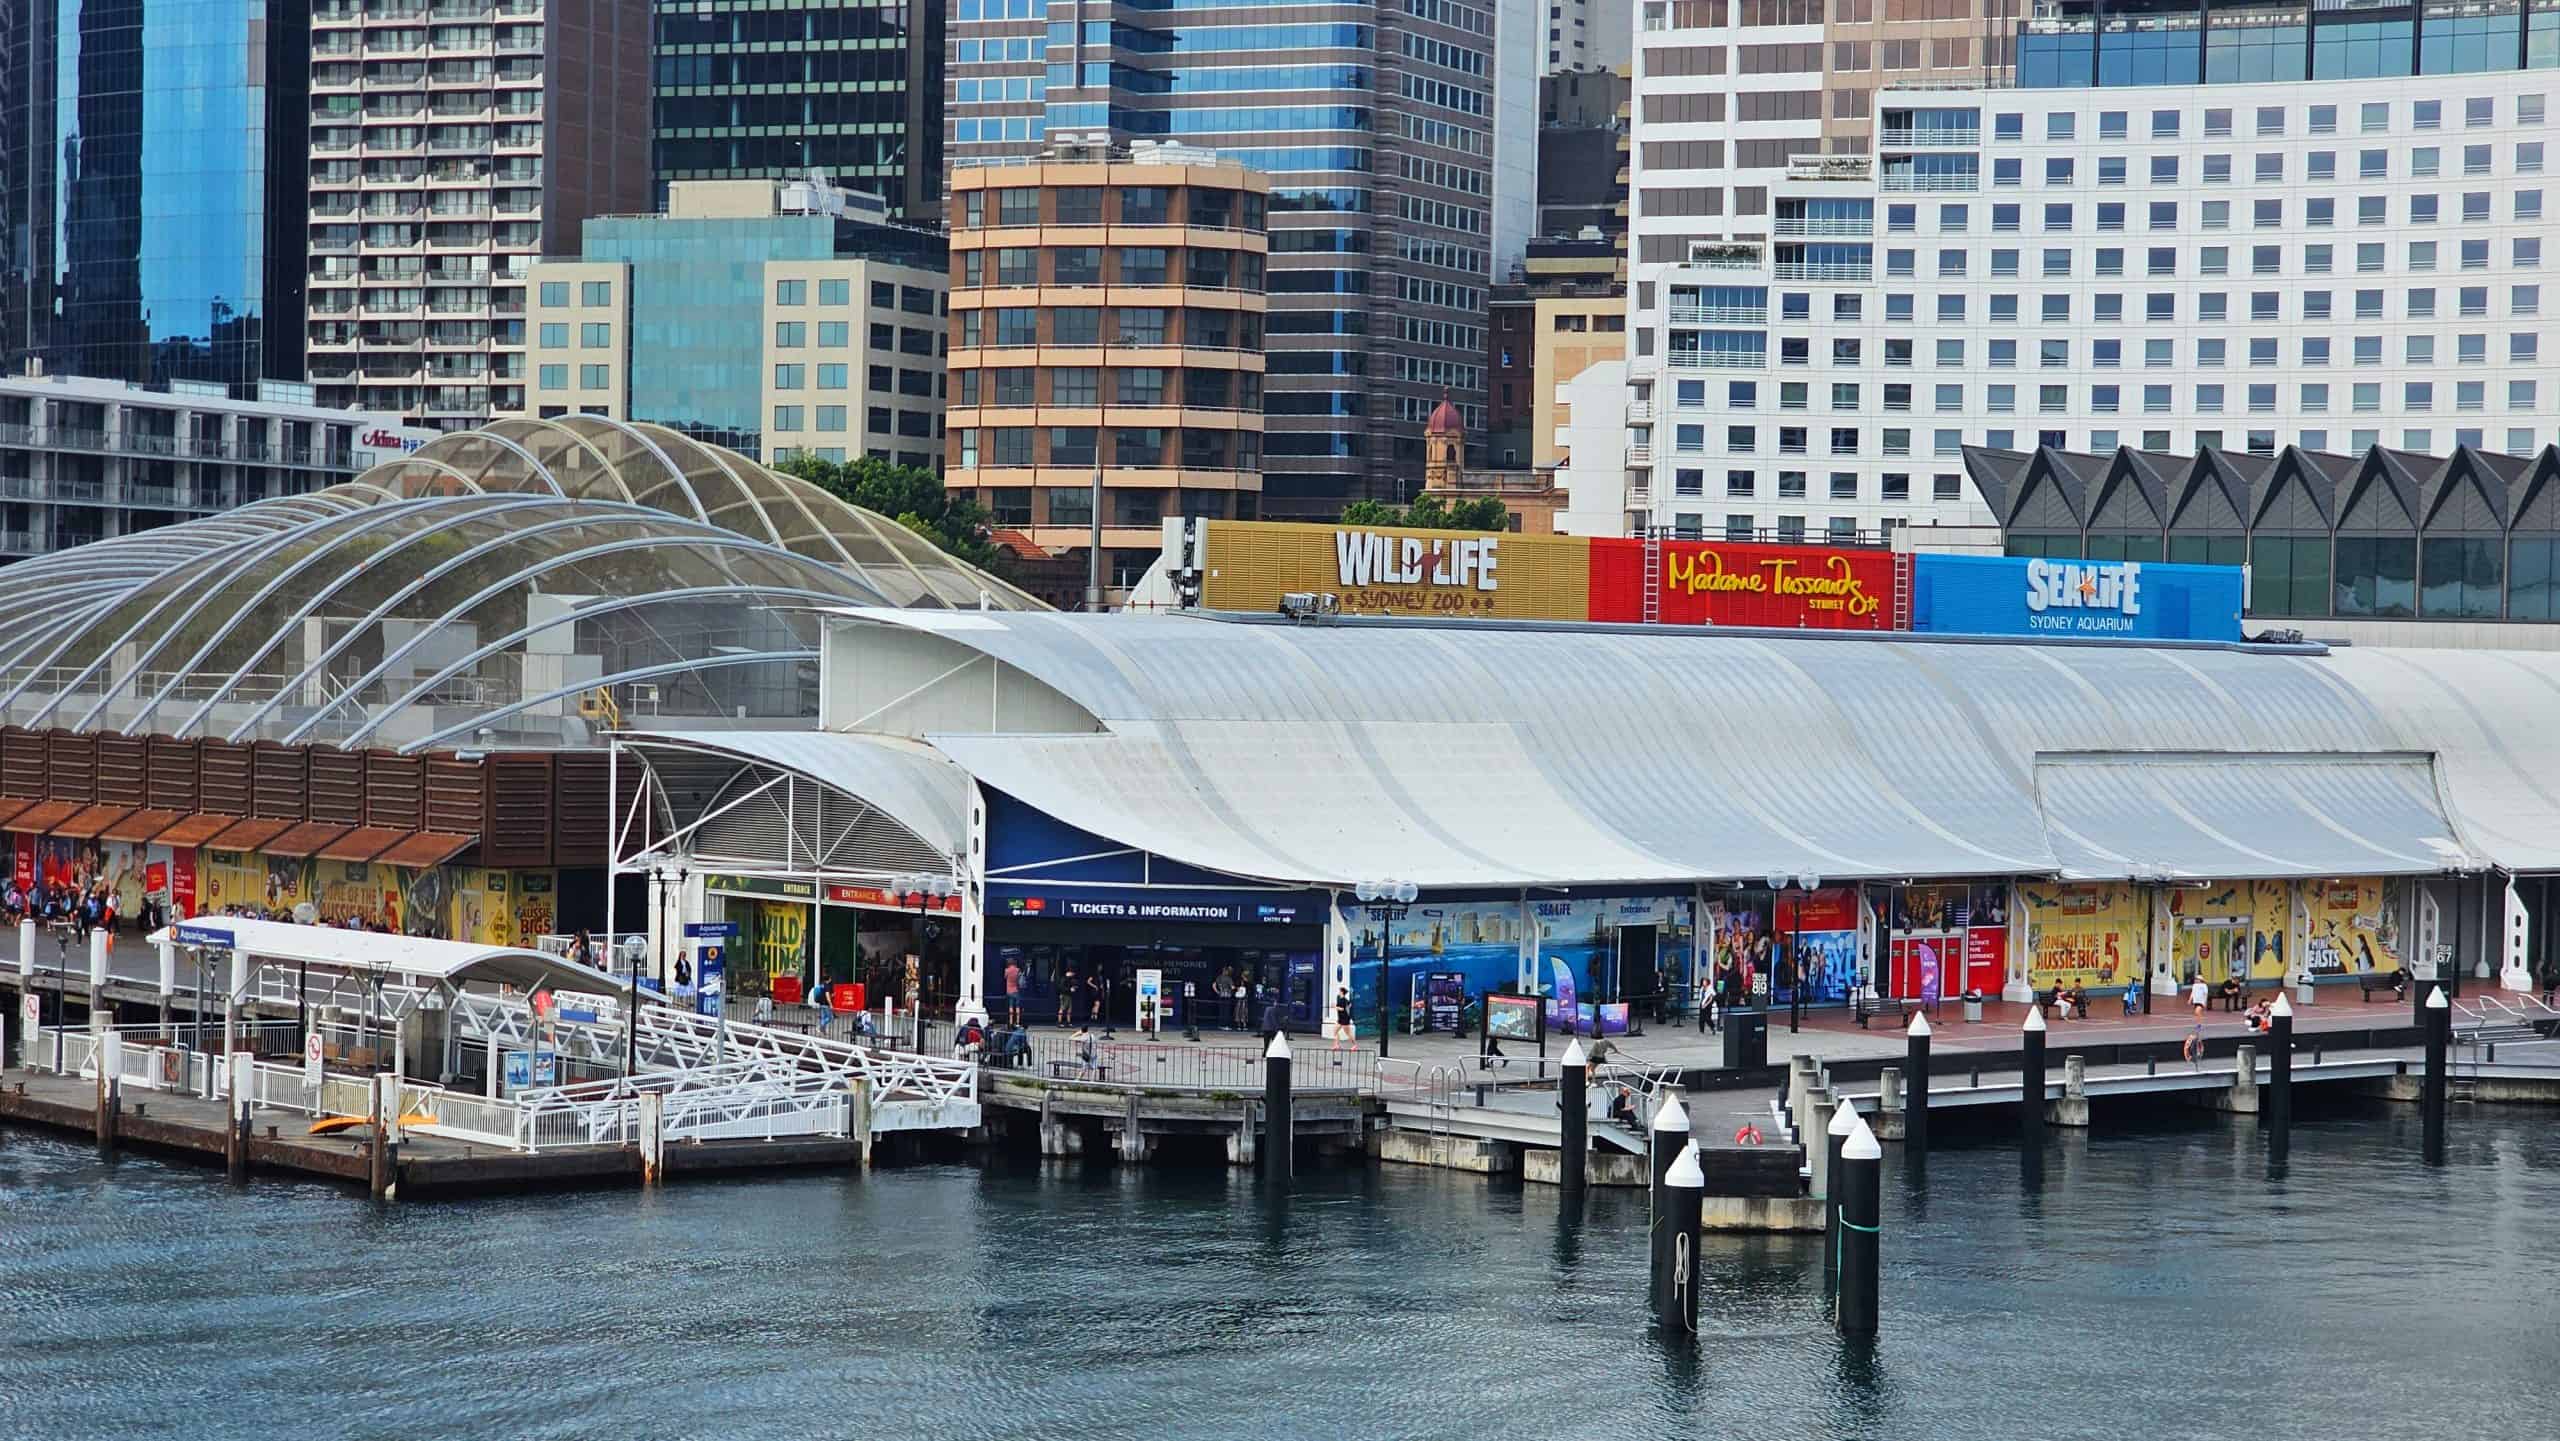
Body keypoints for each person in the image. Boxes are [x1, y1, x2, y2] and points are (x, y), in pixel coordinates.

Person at [1002, 955, 1023, 1028]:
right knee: (1017, 1007)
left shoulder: (1007, 970)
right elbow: (1020, 979)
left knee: (1010, 1006)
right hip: (1016, 990)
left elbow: (1005, 977)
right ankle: (1017, 1022)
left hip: (1009, 991)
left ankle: (1011, 1022)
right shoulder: (1018, 970)